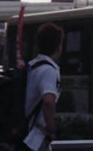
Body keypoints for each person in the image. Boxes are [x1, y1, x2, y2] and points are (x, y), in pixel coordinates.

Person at [21, 22, 64, 151]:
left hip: (25, 133)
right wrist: (51, 129)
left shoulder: (32, 66)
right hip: (36, 138)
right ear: (58, 47)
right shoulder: (48, 70)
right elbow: (48, 101)